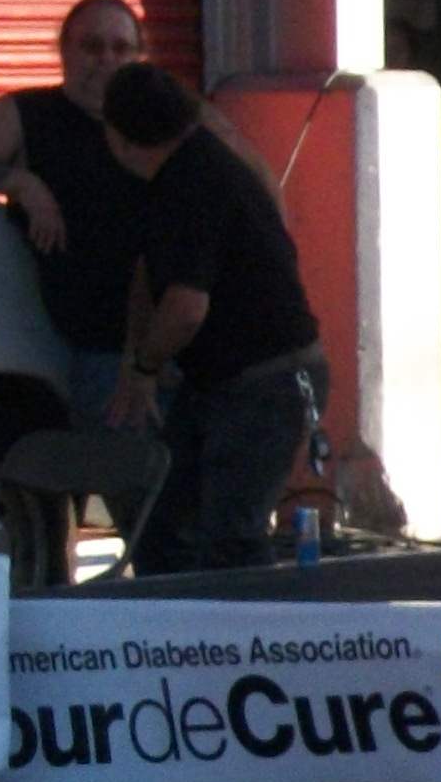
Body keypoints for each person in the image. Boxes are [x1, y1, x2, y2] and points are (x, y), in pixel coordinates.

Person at [99, 63, 325, 575]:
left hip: (267, 379)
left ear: (119, 135)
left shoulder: (194, 180)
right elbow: (148, 276)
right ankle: (181, 637)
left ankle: (251, 646)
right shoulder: (176, 171)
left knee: (230, 537)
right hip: (224, 381)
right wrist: (139, 359)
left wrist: (144, 365)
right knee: (164, 524)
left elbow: (184, 308)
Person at [0, 0, 152, 424]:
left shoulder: (162, 123)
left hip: (162, 350)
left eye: (120, 48)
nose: (107, 59)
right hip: (72, 351)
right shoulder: (27, 114)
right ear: (64, 49)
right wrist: (20, 182)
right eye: (92, 46)